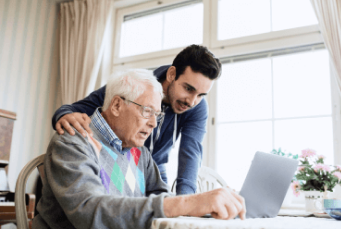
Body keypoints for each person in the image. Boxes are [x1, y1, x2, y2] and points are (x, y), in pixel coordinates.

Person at [31, 69, 246, 229]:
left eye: (157, 115)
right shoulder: (73, 142)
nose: (153, 124)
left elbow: (160, 197)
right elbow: (90, 212)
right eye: (147, 112)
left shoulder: (139, 153)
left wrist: (204, 207)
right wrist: (186, 203)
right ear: (116, 105)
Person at [52, 44, 222, 195]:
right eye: (188, 88)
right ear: (172, 74)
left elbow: (191, 153)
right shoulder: (137, 87)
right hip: (119, 159)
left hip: (152, 167)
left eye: (200, 95)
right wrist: (64, 115)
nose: (192, 101)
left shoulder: (197, 107)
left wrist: (186, 202)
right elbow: (76, 109)